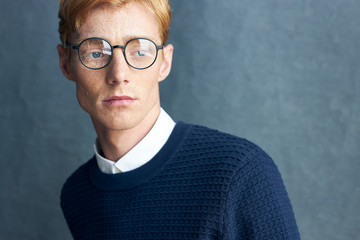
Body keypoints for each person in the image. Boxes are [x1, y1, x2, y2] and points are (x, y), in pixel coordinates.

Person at [57, 0, 300, 239]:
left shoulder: (241, 175)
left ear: (164, 62)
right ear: (66, 63)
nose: (119, 75)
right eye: (96, 52)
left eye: (140, 52)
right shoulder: (76, 195)